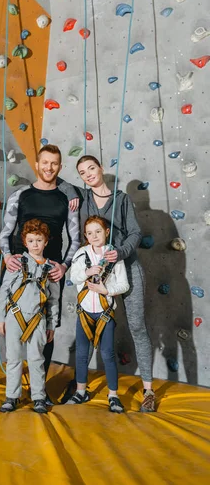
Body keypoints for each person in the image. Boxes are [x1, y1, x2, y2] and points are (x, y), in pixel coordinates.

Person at [0, 144, 80, 406]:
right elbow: (5, 232)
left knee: (46, 330)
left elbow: (75, 240)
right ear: (37, 164)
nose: (49, 168)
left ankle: (39, 392)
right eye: (45, 162)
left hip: (50, 271)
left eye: (54, 163)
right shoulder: (21, 194)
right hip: (19, 269)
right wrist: (9, 256)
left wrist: (64, 266)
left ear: (60, 167)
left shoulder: (68, 198)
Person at [62, 155, 156, 412]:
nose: (88, 174)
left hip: (126, 265)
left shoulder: (122, 199)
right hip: (97, 270)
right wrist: (72, 189)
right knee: (90, 324)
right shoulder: (83, 198)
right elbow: (57, 181)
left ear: (101, 168)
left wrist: (122, 252)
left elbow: (135, 232)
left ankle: (148, 390)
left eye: (92, 168)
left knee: (137, 325)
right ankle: (81, 387)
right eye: (82, 172)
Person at [0, 219, 59, 414]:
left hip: (38, 319)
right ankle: (11, 396)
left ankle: (38, 397)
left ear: (46, 242)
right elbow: (4, 291)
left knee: (36, 359)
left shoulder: (51, 268)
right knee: (13, 358)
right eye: (31, 241)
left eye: (39, 240)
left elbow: (54, 299)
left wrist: (52, 324)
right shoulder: (16, 263)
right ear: (25, 242)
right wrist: (0, 317)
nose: (35, 245)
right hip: (15, 316)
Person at [66, 216, 129, 413]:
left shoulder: (113, 256)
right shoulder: (81, 254)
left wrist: (106, 291)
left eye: (98, 231)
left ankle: (113, 395)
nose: (94, 236)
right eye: (90, 233)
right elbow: (73, 277)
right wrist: (87, 271)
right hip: (85, 313)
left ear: (106, 232)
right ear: (85, 235)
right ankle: (81, 391)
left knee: (107, 354)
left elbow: (124, 284)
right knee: (82, 354)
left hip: (104, 312)